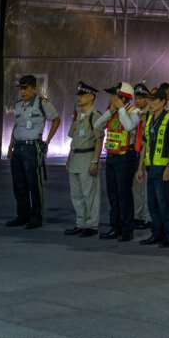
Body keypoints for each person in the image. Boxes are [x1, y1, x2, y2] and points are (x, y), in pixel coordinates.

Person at [6, 75, 60, 229]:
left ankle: (36, 217)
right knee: (19, 184)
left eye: (25, 88)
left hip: (32, 147)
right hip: (18, 147)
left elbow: (56, 119)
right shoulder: (18, 105)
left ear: (33, 88)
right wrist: (10, 146)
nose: (22, 91)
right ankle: (22, 215)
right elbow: (16, 126)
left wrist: (47, 141)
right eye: (20, 88)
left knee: (33, 183)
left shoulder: (42, 103)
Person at [95, 82, 140, 242]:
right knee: (113, 194)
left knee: (124, 194)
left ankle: (127, 230)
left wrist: (120, 109)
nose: (111, 98)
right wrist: (110, 112)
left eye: (114, 95)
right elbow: (97, 125)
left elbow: (128, 127)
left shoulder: (134, 112)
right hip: (112, 157)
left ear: (123, 97)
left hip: (125, 157)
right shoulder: (112, 112)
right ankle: (115, 227)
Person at [136, 86, 169, 248]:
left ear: (163, 102)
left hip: (163, 168)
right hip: (150, 166)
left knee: (164, 202)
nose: (151, 103)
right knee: (152, 203)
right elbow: (145, 144)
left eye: (154, 100)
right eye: (150, 100)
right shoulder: (149, 117)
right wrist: (140, 168)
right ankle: (157, 233)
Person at [64, 81, 102, 237]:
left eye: (83, 95)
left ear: (91, 97)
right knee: (77, 194)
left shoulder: (95, 115)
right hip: (75, 157)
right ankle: (81, 223)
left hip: (88, 156)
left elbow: (99, 140)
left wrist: (95, 161)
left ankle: (92, 225)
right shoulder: (79, 115)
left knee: (89, 194)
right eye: (78, 95)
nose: (79, 98)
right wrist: (69, 158)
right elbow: (73, 140)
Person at [130, 82, 152, 230]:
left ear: (147, 99)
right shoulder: (134, 113)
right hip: (135, 152)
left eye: (141, 98)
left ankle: (148, 217)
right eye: (136, 98)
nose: (137, 101)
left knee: (147, 188)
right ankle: (138, 216)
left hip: (148, 154)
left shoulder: (152, 114)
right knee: (137, 188)